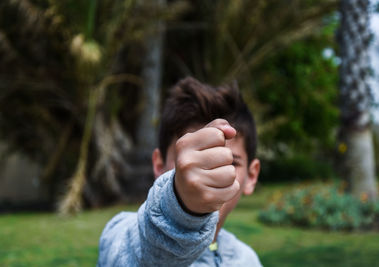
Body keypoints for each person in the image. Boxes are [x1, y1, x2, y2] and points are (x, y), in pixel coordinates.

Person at [97, 77, 262, 266]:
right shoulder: (118, 235)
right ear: (159, 165)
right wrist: (183, 209)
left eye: (229, 162)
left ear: (251, 176)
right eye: (187, 158)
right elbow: (132, 255)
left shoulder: (248, 260)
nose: (210, 171)